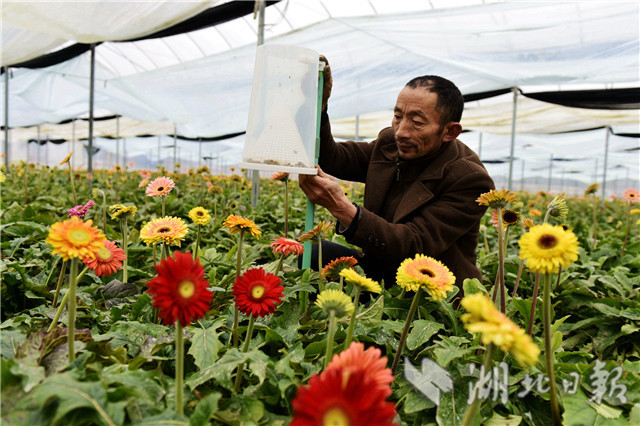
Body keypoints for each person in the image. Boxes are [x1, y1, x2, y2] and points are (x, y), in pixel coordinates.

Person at [298, 57, 495, 292]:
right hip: (381, 266)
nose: (401, 132)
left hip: (428, 290)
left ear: (450, 131)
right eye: (398, 116)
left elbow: (414, 245)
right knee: (312, 254)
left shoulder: (469, 179)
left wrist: (342, 208)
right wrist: (318, 105)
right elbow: (335, 158)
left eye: (417, 122)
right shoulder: (389, 144)